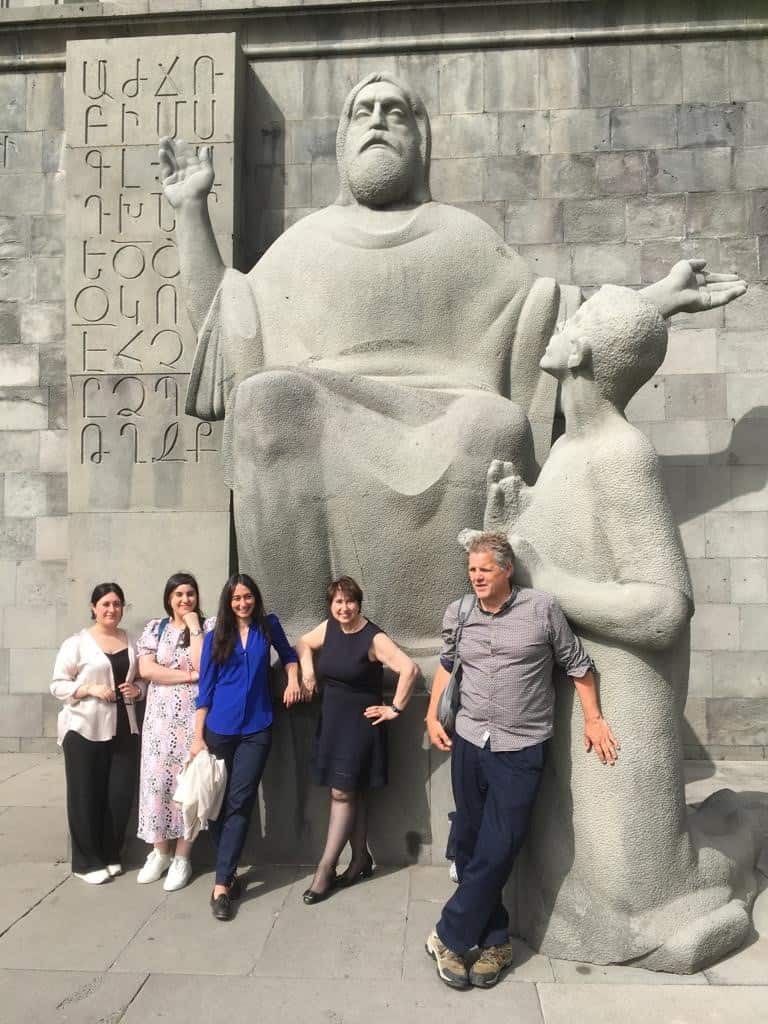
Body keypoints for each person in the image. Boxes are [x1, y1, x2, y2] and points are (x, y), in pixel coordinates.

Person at [158, 72, 730, 649]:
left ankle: (459, 642)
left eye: (395, 111)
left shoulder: (463, 238)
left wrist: (655, 301)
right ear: (341, 141)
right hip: (323, 409)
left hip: (448, 412)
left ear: (421, 141)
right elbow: (225, 328)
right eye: (364, 111)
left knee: (494, 425)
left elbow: (559, 325)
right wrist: (190, 213)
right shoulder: (303, 245)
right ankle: (297, 640)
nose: (378, 120)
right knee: (265, 399)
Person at [484, 283, 755, 973]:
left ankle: (743, 833)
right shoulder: (569, 454)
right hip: (567, 687)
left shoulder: (623, 454)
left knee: (638, 902)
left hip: (622, 689)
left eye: (574, 318)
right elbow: (548, 562)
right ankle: (716, 832)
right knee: (565, 871)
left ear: (576, 351)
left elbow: (667, 608)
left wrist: (546, 577)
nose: (560, 319)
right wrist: (513, 525)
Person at [424, 533, 618, 990]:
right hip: (470, 740)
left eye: (484, 570)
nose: (476, 578)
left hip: (522, 746)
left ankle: (448, 935)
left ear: (506, 569)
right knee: (472, 841)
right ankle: (495, 943)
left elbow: (577, 664)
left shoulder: (541, 609)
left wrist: (594, 719)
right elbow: (449, 665)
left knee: (502, 844)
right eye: (472, 571)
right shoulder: (461, 611)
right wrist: (433, 717)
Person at [296, 576, 418, 904]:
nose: (344, 608)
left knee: (342, 792)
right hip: (333, 720)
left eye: (349, 601)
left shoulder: (372, 637)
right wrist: (307, 670)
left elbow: (409, 669)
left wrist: (395, 708)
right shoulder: (329, 628)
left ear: (359, 603)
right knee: (355, 792)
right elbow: (303, 643)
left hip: (360, 726)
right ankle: (361, 859)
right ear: (331, 605)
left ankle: (325, 869)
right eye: (338, 602)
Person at [190, 573, 300, 921]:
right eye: (236, 598)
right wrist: (197, 736)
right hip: (219, 728)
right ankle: (229, 870)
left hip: (257, 727)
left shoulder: (268, 626)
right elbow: (205, 689)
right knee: (221, 804)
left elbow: (289, 654)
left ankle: (221, 884)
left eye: (248, 597)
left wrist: (295, 680)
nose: (242, 603)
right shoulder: (214, 637)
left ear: (255, 598)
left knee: (241, 799)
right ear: (228, 601)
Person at [51, 582, 144, 884]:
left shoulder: (131, 641)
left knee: (118, 795)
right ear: (93, 608)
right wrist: (88, 688)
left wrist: (137, 690)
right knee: (85, 794)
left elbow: (141, 680)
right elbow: (58, 685)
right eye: (105, 604)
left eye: (117, 604)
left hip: (123, 727)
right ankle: (86, 862)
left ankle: (109, 854)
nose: (111, 609)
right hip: (84, 728)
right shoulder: (77, 643)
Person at [135, 572, 215, 891]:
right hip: (158, 721)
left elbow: (203, 664)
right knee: (157, 786)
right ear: (169, 597)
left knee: (187, 788)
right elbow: (147, 670)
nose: (185, 600)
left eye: (191, 594)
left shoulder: (207, 628)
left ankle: (183, 857)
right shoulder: (156, 628)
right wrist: (187, 676)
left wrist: (194, 626)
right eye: (179, 594)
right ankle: (160, 852)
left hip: (192, 719)